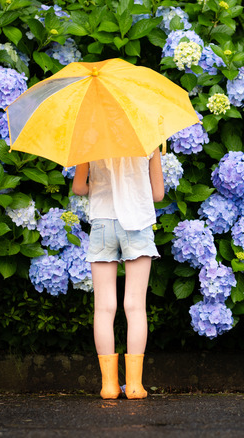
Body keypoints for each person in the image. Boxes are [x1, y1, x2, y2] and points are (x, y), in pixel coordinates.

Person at [71, 147, 164, 400]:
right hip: (138, 221)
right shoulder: (148, 140)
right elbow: (157, 194)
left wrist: (100, 189)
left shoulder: (90, 140)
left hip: (102, 220)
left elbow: (79, 188)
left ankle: (109, 386)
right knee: (135, 306)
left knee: (103, 307)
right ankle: (134, 385)